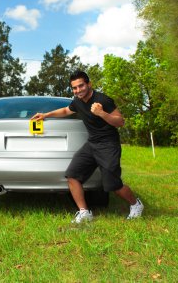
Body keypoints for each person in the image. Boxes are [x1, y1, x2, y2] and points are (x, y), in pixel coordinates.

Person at [31, 70, 144, 223]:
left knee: (113, 184)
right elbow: (66, 110)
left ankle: (136, 204)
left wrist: (102, 113)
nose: (78, 90)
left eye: (81, 86)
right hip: (92, 144)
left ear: (89, 84)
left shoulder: (103, 100)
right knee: (72, 175)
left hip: (108, 145)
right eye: (74, 88)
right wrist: (45, 115)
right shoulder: (77, 101)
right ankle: (84, 212)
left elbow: (120, 122)